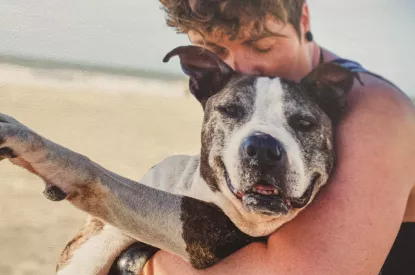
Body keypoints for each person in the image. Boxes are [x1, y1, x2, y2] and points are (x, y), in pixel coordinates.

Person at [141, 1, 415, 274]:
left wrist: (137, 264)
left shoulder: (376, 115)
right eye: (214, 50)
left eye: (261, 45)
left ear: (304, 20)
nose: (242, 68)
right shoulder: (253, 109)